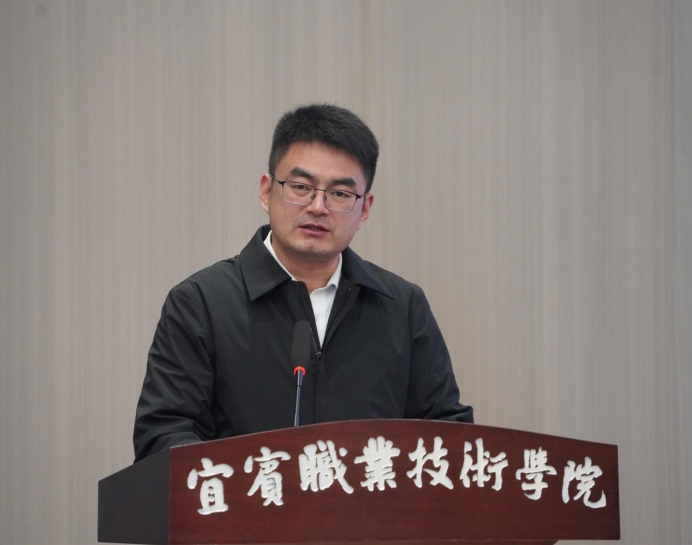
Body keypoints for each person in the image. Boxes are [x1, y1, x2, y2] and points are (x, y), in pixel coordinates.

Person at [133, 104, 473, 462]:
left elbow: (447, 434)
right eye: (300, 187)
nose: (318, 206)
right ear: (266, 191)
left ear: (364, 209)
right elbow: (165, 434)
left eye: (340, 193)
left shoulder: (402, 306)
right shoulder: (201, 303)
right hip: (249, 498)